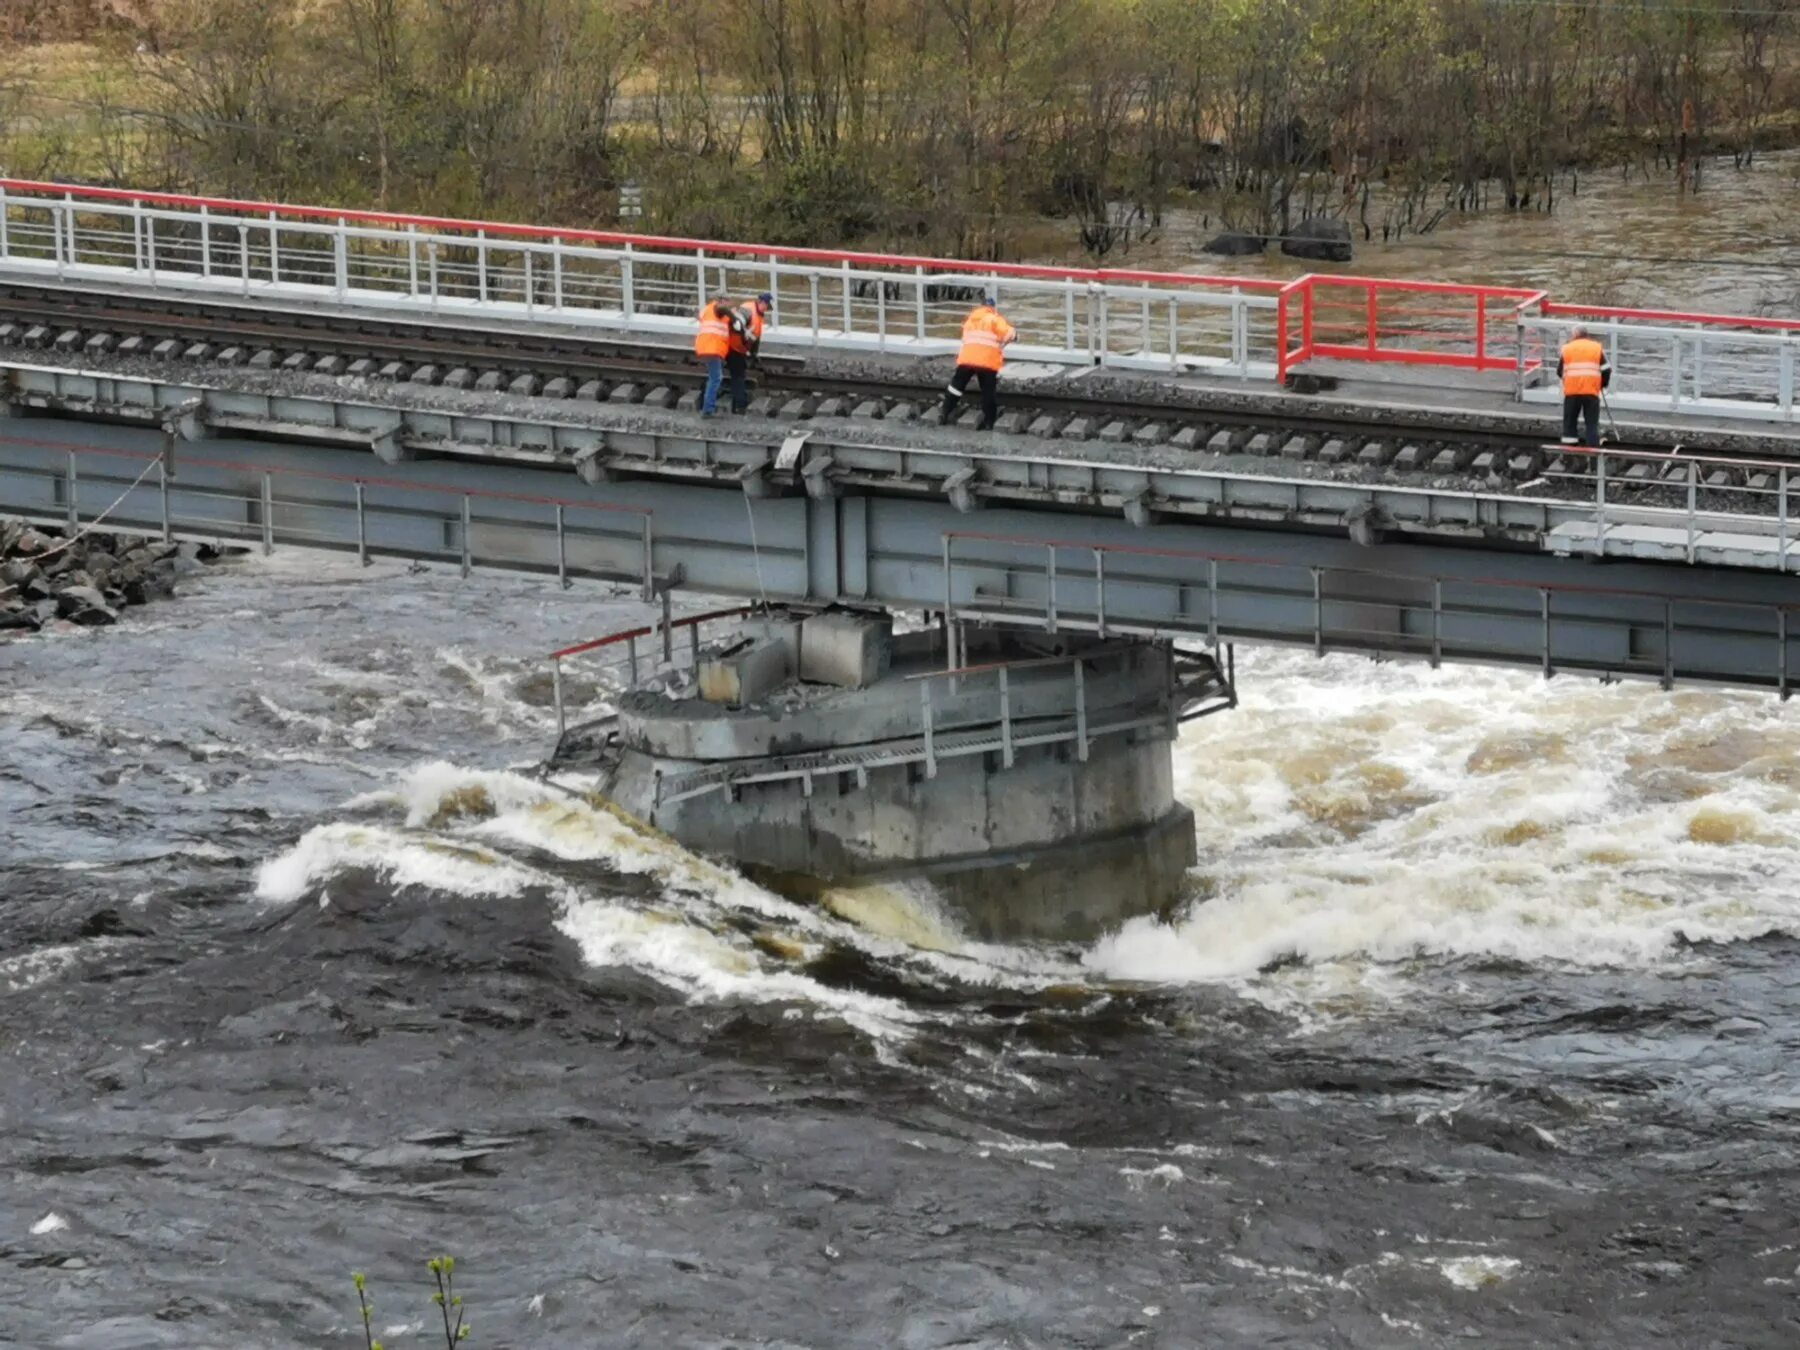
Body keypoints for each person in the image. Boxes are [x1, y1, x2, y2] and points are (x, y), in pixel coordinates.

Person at [939, 296, 1016, 430]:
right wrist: (1016, 335)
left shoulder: (970, 320)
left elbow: (965, 338)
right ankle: (989, 421)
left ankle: (945, 412)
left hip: (968, 359)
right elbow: (1009, 334)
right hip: (987, 361)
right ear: (992, 308)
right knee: (988, 391)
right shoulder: (995, 319)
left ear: (980, 307)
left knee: (956, 387)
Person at [1557, 325, 1612, 447]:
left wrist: (1569, 380)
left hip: (1572, 392)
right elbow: (1607, 369)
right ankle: (1593, 456)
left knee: (1569, 424)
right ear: (1587, 335)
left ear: (1575, 335)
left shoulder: (1567, 349)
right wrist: (1602, 384)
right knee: (1592, 424)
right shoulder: (1596, 348)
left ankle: (1568, 455)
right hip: (1591, 392)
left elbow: (1560, 371)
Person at [726, 292, 773, 414]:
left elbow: (756, 337)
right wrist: (744, 337)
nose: (767, 309)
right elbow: (736, 324)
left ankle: (739, 402)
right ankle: (740, 405)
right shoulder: (748, 309)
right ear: (762, 302)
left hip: (740, 348)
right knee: (738, 376)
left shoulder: (759, 315)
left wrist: (753, 354)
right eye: (767, 306)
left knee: (738, 375)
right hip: (734, 347)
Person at [694, 294, 734, 417]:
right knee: (716, 378)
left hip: (707, 347)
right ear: (721, 301)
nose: (729, 304)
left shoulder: (708, 309)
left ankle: (707, 406)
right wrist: (735, 318)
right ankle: (707, 410)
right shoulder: (718, 308)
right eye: (728, 301)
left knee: (713, 377)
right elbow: (723, 310)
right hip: (712, 348)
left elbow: (699, 316)